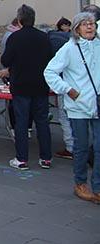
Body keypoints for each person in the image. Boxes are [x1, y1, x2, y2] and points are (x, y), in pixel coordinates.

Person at [44, 12, 100, 203]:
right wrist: (68, 90)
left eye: (91, 23)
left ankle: (98, 186)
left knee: (99, 147)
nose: (89, 27)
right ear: (77, 29)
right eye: (85, 24)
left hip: (97, 104)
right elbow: (50, 72)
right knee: (81, 146)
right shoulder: (69, 48)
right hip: (78, 106)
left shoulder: (99, 46)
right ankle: (80, 183)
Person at [0, 5, 53, 171]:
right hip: (40, 84)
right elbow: (51, 58)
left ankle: (22, 159)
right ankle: (46, 158)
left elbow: (6, 60)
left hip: (21, 85)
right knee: (42, 122)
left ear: (20, 20)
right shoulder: (44, 37)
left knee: (21, 123)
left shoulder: (15, 38)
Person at [48, 17, 74, 160]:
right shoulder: (74, 42)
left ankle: (71, 148)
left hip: (66, 85)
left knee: (65, 116)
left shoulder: (55, 42)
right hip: (78, 86)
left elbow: (51, 70)